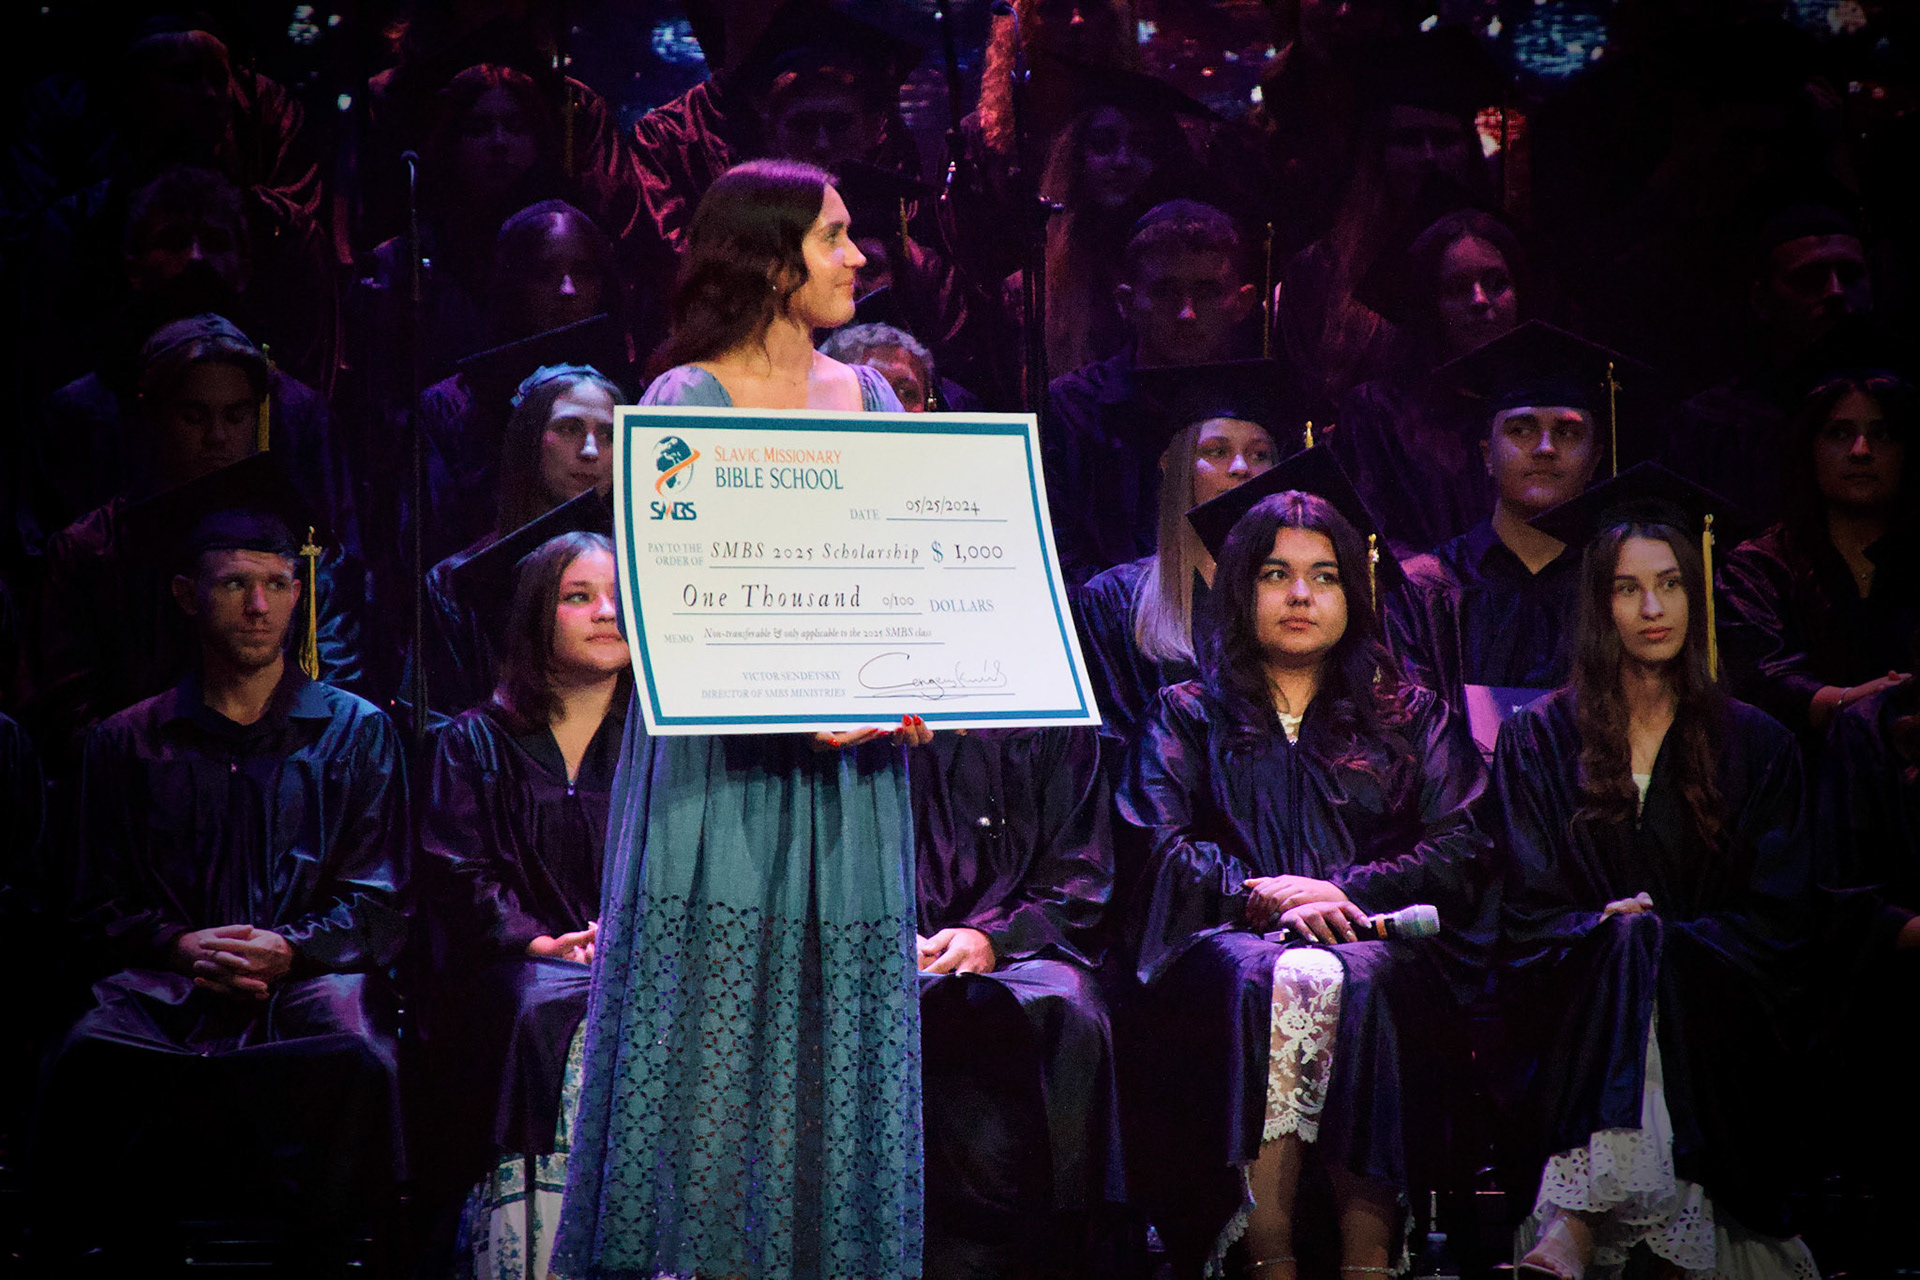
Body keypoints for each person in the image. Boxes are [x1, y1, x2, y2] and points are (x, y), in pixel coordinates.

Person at [553, 159, 933, 1280]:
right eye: (833, 236)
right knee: (713, 1043)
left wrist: (919, 686)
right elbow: (669, 604)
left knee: (836, 1029)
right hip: (723, 777)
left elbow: (901, 580)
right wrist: (781, 711)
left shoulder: (872, 400)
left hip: (850, 781)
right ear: (770, 260)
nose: (857, 256)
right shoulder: (684, 404)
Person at [1119, 448, 1493, 1278]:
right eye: (1275, 575)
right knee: (1275, 977)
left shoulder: (1410, 716)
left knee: (1352, 979)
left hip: (1378, 941)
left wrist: (1339, 892)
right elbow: (1158, 847)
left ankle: (1369, 1259)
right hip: (1226, 951)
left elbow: (1460, 845)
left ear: (1353, 594)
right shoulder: (1186, 714)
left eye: (1323, 577)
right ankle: (1270, 1257)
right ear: (1239, 588)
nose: (1299, 596)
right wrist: (1267, 901)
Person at [27, 465, 406, 1270]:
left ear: (300, 594)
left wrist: (289, 950)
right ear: (186, 595)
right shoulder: (124, 742)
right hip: (164, 985)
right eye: (234, 583)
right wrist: (178, 945)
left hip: (305, 983)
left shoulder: (356, 733)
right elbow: (89, 902)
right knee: (89, 1048)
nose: (259, 606)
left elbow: (379, 901)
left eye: (277, 584)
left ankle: (336, 1256)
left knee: (359, 1054)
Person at [1491, 463, 1822, 1280]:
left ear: (1695, 596)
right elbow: (1524, 911)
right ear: (1597, 605)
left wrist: (1666, 945)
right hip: (1574, 1007)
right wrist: (1604, 932)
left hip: (1718, 1011)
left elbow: (1782, 921)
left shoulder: (1758, 744)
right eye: (1628, 589)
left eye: (1671, 585)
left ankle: (1574, 1222)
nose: (1652, 610)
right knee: (1626, 945)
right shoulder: (1538, 740)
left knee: (1648, 949)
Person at [417, 531, 628, 1278]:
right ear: (538, 613)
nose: (607, 612)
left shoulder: (662, 745)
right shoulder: (477, 741)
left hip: (640, 954)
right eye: (579, 597)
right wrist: (538, 941)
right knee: (540, 1004)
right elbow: (458, 870)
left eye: (620, 596)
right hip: (512, 967)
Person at [30, 325, 365, 768]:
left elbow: (337, 686)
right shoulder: (92, 551)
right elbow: (68, 713)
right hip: (142, 779)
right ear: (154, 416)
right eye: (194, 417)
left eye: (236, 416)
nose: (217, 437)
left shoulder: (305, 544)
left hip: (283, 776)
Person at [911, 724, 1125, 1276]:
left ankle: (1053, 1249)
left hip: (1022, 947)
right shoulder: (869, 725)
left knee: (1065, 1006)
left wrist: (993, 937)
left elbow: (1080, 877)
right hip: (890, 942)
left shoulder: (1054, 724)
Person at [1389, 324, 1625, 746]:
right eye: (1521, 429)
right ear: (1487, 455)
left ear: (1595, 460)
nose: (1546, 448)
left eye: (1567, 432)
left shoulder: (1619, 587)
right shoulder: (1423, 591)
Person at [1044, 201, 1265, 585]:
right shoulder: (1073, 408)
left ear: (1242, 303)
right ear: (1127, 303)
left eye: (1207, 292)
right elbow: (1057, 555)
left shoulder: (1268, 405)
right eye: (1165, 292)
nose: (1186, 314)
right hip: (1105, 615)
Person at [1076, 360, 1285, 765]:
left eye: (1260, 454)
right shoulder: (1114, 602)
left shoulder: (1298, 599)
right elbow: (1105, 750)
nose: (1242, 468)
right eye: (1217, 451)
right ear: (1172, 464)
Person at [1717, 367, 1915, 743]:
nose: (1861, 451)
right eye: (1839, 433)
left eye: (1882, 434)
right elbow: (1762, 682)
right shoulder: (1759, 569)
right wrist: (1857, 701)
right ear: (1810, 448)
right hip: (1801, 767)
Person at [416, 364, 620, 718]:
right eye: (569, 428)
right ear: (529, 439)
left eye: (608, 434)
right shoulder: (458, 583)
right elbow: (440, 722)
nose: (590, 450)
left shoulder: (646, 564)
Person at [1330, 206, 1530, 557]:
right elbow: (1367, 539)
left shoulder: (1545, 406)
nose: (1480, 300)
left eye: (1497, 283)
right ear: (1429, 304)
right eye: (1456, 288)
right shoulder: (1379, 412)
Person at [1664, 202, 1876, 528]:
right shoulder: (1712, 425)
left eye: (1850, 276)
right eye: (1810, 278)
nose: (1835, 292)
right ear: (1761, 299)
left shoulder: (1910, 408)